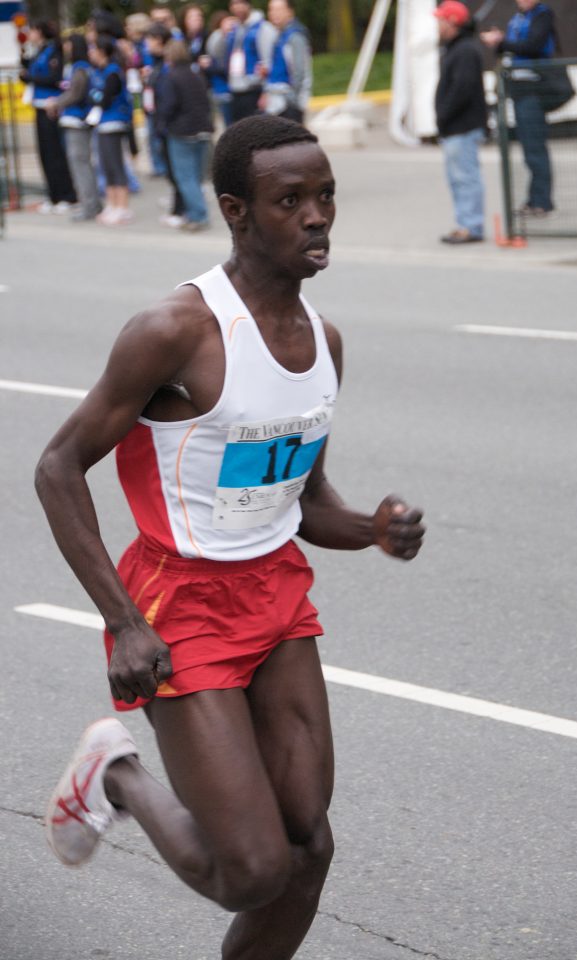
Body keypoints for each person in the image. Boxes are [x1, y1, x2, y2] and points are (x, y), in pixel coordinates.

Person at [36, 114, 425, 960]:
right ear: (236, 211)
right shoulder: (176, 331)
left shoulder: (324, 342)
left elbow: (305, 500)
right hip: (179, 602)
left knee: (308, 845)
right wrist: (126, 623)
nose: (317, 216)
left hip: (276, 595)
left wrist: (373, 528)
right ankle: (117, 776)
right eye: (291, 200)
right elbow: (59, 468)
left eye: (326, 197)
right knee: (251, 870)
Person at [481, 0, 558, 216]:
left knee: (535, 148)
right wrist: (498, 43)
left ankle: (542, 201)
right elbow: (512, 49)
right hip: (519, 88)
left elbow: (533, 45)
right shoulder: (519, 17)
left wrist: (502, 41)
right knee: (528, 149)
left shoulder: (542, 15)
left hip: (533, 88)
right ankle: (534, 199)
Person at [433, 0, 487, 245]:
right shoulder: (457, 47)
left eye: (441, 20)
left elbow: (462, 89)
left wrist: (444, 114)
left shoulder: (464, 50)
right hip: (456, 126)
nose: (437, 25)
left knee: (465, 178)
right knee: (458, 178)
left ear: (452, 22)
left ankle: (471, 226)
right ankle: (465, 223)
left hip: (462, 126)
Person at [20, 20, 76, 214]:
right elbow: (28, 66)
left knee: (55, 153)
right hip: (38, 105)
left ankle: (67, 195)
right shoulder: (39, 50)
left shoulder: (54, 50)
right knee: (45, 153)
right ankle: (53, 195)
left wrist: (30, 78)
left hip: (50, 106)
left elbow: (54, 78)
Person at [156, 39, 213, 231]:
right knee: (196, 176)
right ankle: (194, 211)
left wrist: (161, 125)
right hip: (203, 128)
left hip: (182, 131)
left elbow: (168, 106)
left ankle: (198, 215)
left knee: (185, 177)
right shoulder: (197, 75)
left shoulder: (171, 77)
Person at [45, 33, 102, 222]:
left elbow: (75, 94)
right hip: (79, 120)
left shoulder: (79, 69)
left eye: (69, 44)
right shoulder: (84, 68)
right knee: (83, 163)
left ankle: (89, 206)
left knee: (80, 164)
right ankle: (93, 203)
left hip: (77, 120)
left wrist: (56, 102)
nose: (66, 48)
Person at [144, 24, 186, 228]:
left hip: (170, 123)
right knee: (171, 167)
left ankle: (181, 209)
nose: (147, 45)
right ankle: (178, 205)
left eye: (150, 40)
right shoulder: (156, 64)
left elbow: (170, 97)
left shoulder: (169, 64)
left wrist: (163, 122)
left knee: (176, 168)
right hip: (160, 119)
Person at [89, 34, 134, 225]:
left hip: (113, 123)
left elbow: (105, 99)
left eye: (93, 49)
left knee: (115, 165)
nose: (90, 53)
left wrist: (95, 96)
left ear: (101, 51)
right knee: (105, 165)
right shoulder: (100, 71)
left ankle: (122, 206)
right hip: (103, 124)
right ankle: (111, 203)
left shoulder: (113, 72)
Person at [222, 0, 277, 122]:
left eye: (240, 3)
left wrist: (266, 91)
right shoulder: (235, 29)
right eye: (233, 4)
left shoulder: (261, 28)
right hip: (236, 90)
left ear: (248, 4)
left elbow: (269, 62)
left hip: (254, 90)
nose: (237, 7)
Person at [264, 0, 312, 123]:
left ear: (290, 12)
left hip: (289, 104)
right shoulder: (280, 35)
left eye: (279, 9)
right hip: (277, 103)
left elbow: (299, 71)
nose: (274, 13)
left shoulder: (295, 36)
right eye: (271, 9)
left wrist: (293, 99)